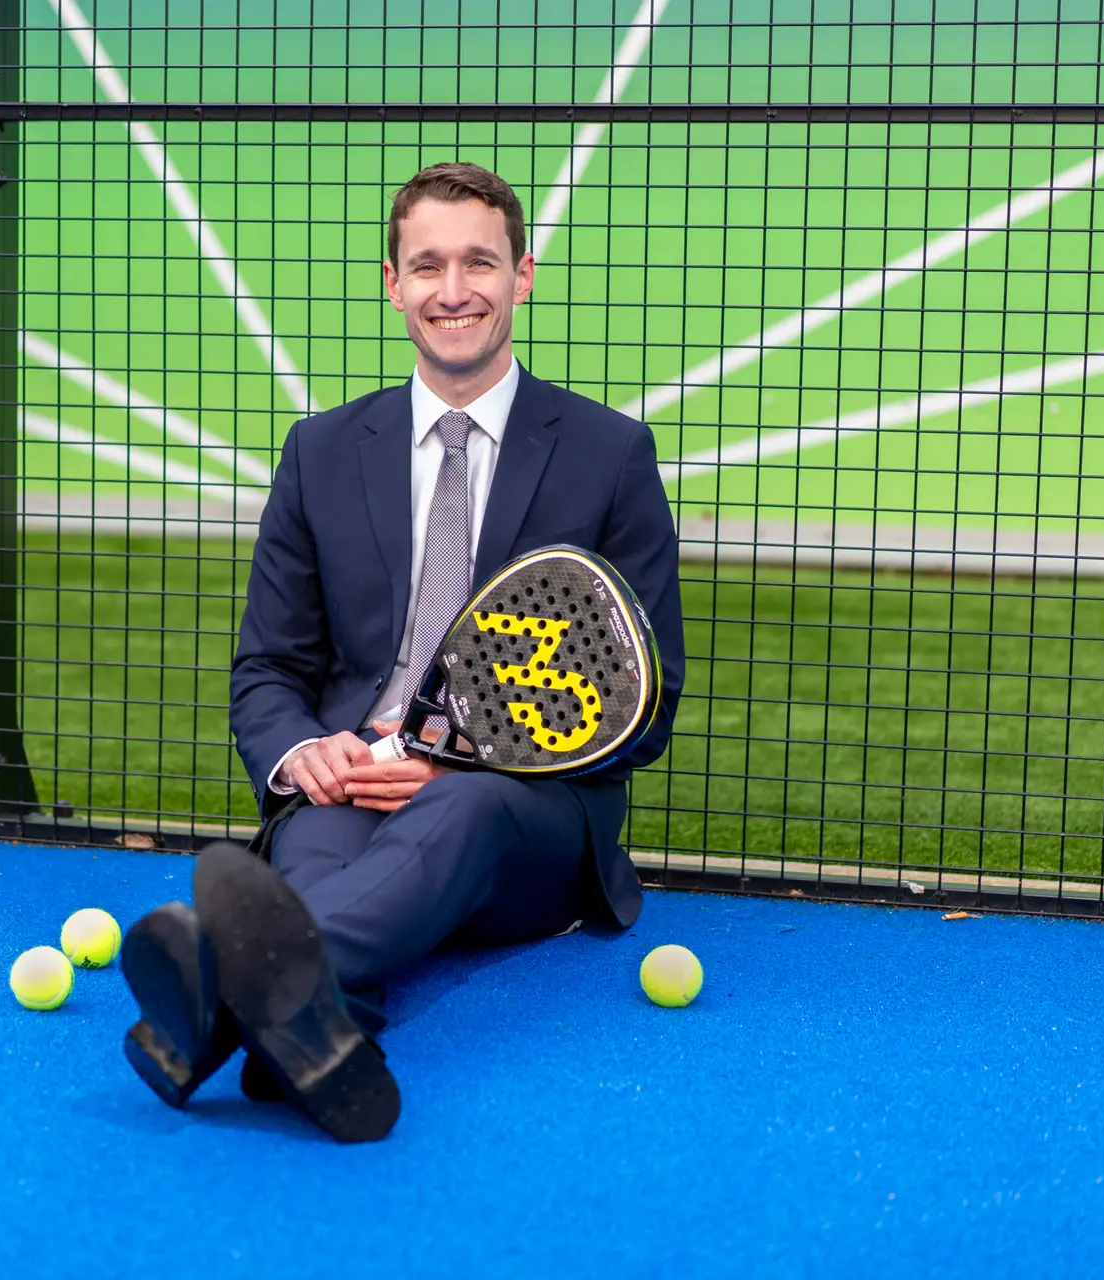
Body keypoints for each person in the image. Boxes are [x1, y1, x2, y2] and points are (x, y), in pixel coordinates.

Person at [117, 161, 686, 1142]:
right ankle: (312, 1038)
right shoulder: (320, 450)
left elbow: (649, 694)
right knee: (320, 842)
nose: (453, 288)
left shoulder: (609, 454)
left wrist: (456, 753)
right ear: (393, 282)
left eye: (479, 261)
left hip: (521, 811)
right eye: (428, 265)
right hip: (348, 786)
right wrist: (306, 753)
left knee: (458, 801)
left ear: (522, 274)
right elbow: (268, 670)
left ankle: (211, 989)